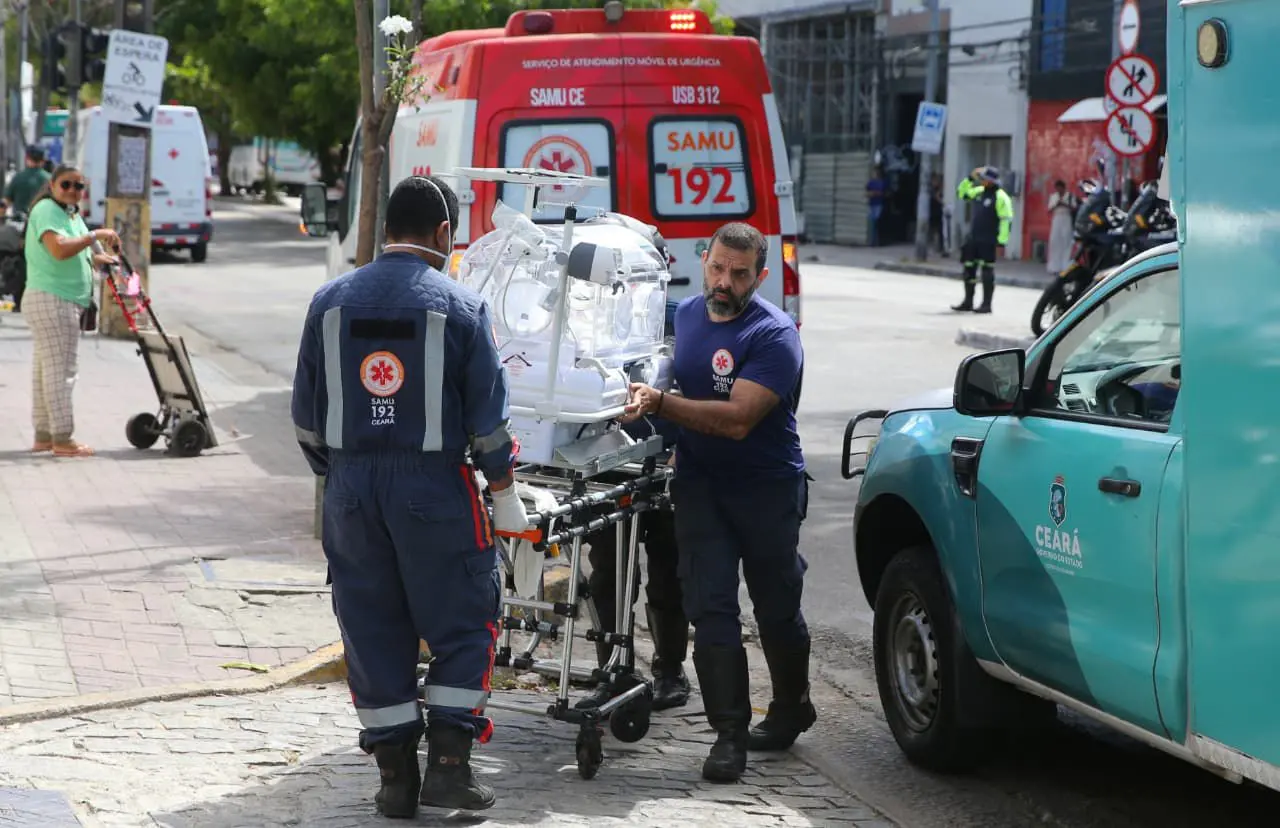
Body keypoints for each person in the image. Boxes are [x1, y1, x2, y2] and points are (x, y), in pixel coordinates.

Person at [291, 175, 529, 818]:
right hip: (433, 488)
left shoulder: (329, 302)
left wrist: (345, 472)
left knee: (370, 627)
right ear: (445, 234)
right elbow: (488, 426)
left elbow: (306, 422)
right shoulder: (462, 307)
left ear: (385, 231)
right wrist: (502, 488)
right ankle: (449, 768)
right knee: (463, 620)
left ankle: (395, 779)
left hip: (350, 489)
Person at [622, 222, 813, 785]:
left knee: (776, 607)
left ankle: (790, 708)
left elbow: (736, 421)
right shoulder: (685, 316)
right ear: (703, 259)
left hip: (766, 488)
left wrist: (662, 403)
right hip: (700, 486)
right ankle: (729, 734)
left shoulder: (774, 335)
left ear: (761, 275)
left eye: (739, 273)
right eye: (716, 268)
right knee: (711, 611)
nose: (724, 282)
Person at [574, 420, 691, 714]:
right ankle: (613, 669)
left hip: (675, 455)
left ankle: (670, 668)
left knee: (669, 572)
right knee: (610, 570)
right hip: (611, 458)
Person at [24, 164, 119, 458]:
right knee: (62, 371)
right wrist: (96, 234)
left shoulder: (70, 214)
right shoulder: (46, 211)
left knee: (46, 371)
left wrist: (100, 258)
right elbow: (59, 249)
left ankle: (44, 435)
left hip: (58, 299)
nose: (73, 191)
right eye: (67, 184)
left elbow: (80, 253)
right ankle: (63, 439)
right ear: (52, 185)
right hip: (54, 300)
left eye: (79, 187)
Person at [951, 166, 1014, 314]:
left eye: (984, 178)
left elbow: (1006, 220)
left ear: (992, 181)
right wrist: (970, 178)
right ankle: (968, 301)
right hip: (973, 237)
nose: (982, 180)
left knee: (987, 271)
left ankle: (986, 304)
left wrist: (1001, 241)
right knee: (968, 269)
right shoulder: (979, 192)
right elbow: (962, 193)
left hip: (989, 239)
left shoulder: (1001, 197)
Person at [4, 146, 52, 220]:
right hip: (42, 223)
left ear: (26, 158)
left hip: (20, 223)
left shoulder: (17, 177)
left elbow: (6, 202)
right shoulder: (51, 179)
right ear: (43, 160)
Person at [1046, 179, 1077, 274]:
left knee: (1066, 242)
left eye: (1060, 188)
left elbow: (1074, 208)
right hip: (1057, 219)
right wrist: (1056, 204)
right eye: (1057, 188)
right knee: (1055, 241)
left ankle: (1065, 266)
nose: (1059, 190)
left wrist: (1065, 204)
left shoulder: (1070, 196)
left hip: (1066, 218)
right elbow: (1049, 210)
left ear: (1063, 187)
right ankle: (1054, 267)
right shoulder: (1053, 197)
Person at [866, 167, 887, 247]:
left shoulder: (882, 182)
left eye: (876, 173)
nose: (875, 174)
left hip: (879, 204)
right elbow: (866, 193)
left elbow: (884, 193)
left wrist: (875, 193)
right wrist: (872, 194)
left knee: (877, 223)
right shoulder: (870, 182)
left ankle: (876, 242)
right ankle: (872, 242)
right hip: (872, 204)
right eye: (874, 173)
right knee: (872, 224)